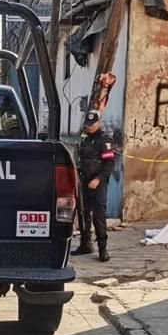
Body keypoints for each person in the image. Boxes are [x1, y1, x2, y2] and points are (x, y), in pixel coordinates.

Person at [71, 109, 115, 263]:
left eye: (92, 124)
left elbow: (109, 164)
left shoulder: (105, 141)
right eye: (88, 124)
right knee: (84, 213)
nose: (89, 127)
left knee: (98, 216)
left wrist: (98, 179)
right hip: (84, 181)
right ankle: (85, 244)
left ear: (99, 123)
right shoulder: (85, 138)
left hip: (98, 183)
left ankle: (103, 249)